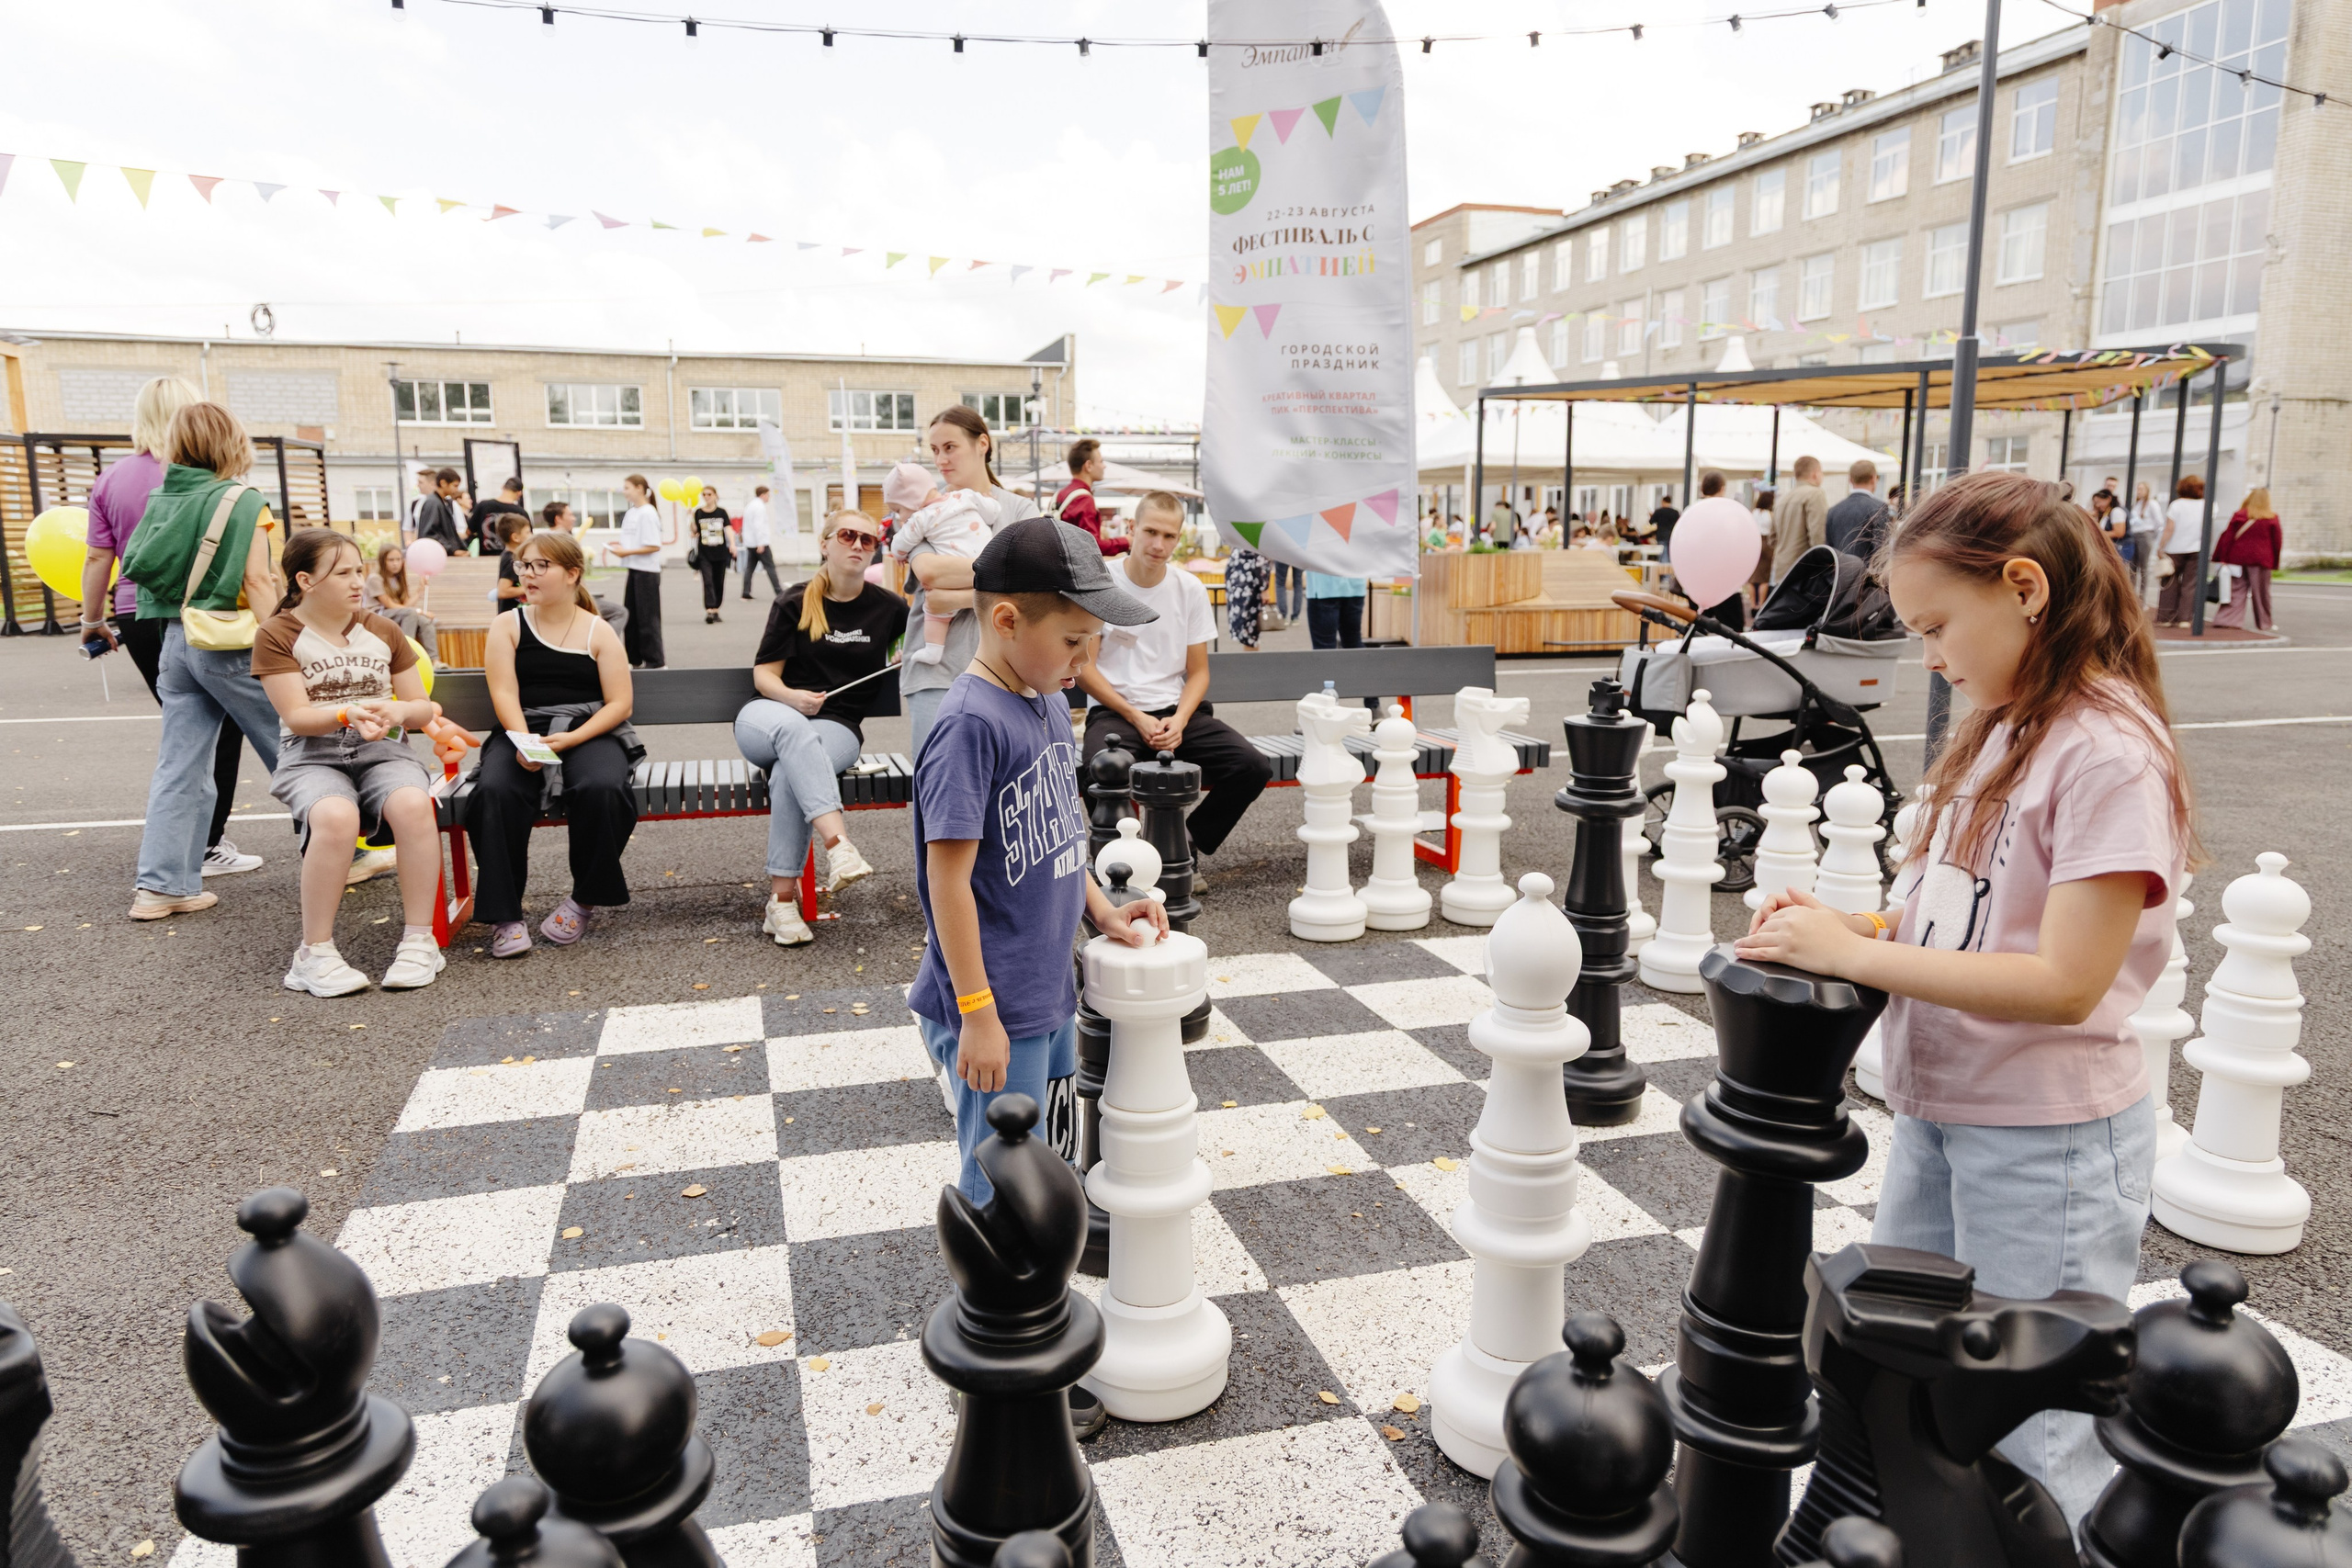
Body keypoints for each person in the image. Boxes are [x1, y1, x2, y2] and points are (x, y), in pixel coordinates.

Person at [1736, 469, 2191, 1528]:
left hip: (2050, 1142)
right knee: (1906, 1377)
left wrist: (1856, 962)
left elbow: (2065, 982)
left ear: (2024, 588)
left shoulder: (2105, 751)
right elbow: (1975, 922)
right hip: (1946, 1109)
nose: (1928, 656)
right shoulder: (2003, 722)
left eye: (1936, 625)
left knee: (2033, 1429)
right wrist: (1861, 930)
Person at [910, 513, 1166, 1199]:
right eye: (1075, 641)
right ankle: (996, 1302)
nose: (1087, 663)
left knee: (1046, 1160)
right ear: (1005, 621)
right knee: (1000, 1181)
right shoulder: (970, 725)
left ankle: (1035, 1283)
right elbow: (948, 883)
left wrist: (1101, 911)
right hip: (991, 1002)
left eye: (1096, 642)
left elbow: (1058, 835)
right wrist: (976, 1012)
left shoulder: (1048, 700)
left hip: (1045, 989)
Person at [79, 375, 264, 880]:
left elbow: (99, 555)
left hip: (140, 613)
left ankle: (171, 870)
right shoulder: (216, 487)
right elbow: (254, 573)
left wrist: (92, 620)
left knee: (185, 736)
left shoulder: (112, 478)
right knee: (255, 731)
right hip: (212, 614)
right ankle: (211, 843)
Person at [253, 529, 444, 997]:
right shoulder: (278, 634)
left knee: (414, 805)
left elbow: (422, 709)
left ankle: (421, 941)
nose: (358, 582)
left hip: (384, 750)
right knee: (336, 816)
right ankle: (313, 954)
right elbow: (297, 717)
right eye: (343, 573)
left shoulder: (384, 630)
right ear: (306, 580)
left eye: (359, 570)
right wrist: (344, 713)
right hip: (312, 755)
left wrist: (400, 710)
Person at [119, 401, 286, 919]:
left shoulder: (162, 495)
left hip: (176, 637)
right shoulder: (243, 499)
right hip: (232, 642)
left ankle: (163, 886)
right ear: (232, 442)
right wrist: (291, 642)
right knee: (301, 746)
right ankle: (346, 850)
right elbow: (258, 580)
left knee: (181, 765)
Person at [1078, 493, 1272, 881]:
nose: (1158, 545)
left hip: (1175, 712)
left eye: (1169, 536)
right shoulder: (1104, 583)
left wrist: (1180, 720)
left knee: (1252, 767)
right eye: (1150, 532)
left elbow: (1198, 673)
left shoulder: (1189, 588)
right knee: (1101, 769)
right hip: (1117, 711)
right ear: (1131, 529)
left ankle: (1182, 845)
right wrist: (1136, 716)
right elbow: (1084, 667)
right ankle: (1126, 862)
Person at [735, 509, 899, 945]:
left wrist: (903, 656)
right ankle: (839, 845)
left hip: (838, 727)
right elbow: (764, 676)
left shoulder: (889, 608)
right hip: (770, 717)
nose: (859, 545)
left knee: (793, 769)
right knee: (795, 734)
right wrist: (793, 698)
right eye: (848, 536)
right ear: (825, 543)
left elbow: (912, 646)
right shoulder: (794, 600)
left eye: (869, 540)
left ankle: (781, 904)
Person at [473, 530, 639, 958]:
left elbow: (620, 703)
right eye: (523, 565)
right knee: (496, 791)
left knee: (603, 787)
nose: (528, 574)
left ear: (571, 574)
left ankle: (583, 900)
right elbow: (505, 694)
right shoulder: (506, 624)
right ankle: (505, 916)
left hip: (588, 729)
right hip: (522, 727)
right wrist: (526, 742)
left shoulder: (598, 631)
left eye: (540, 566)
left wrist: (574, 737)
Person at [899, 405, 1039, 755]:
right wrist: (1003, 579)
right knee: (938, 791)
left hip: (1008, 671)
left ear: (982, 444)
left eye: (950, 447)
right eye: (934, 450)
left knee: (1004, 796)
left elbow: (1031, 585)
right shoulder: (927, 509)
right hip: (939, 672)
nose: (941, 459)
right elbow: (929, 572)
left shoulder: (1019, 510)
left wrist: (954, 598)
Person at [884, 460, 1001, 665]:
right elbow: (993, 512)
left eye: (898, 509)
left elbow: (898, 545)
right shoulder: (965, 496)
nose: (899, 516)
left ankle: (933, 649)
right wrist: (987, 501)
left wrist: (901, 555)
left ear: (911, 500)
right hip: (987, 565)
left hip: (954, 579)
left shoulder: (920, 518)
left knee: (935, 609)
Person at [610, 473, 669, 667]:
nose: (624, 491)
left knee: (647, 618)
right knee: (631, 616)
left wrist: (626, 551)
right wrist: (621, 550)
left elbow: (654, 546)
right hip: (633, 569)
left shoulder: (648, 512)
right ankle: (633, 658)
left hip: (647, 572)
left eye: (627, 487)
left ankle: (655, 661)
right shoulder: (631, 513)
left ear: (639, 489)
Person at [2211, 488, 2282, 633]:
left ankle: (2227, 620)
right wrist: (2274, 562)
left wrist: (2224, 558)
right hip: (2261, 560)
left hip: (2237, 558)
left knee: (2235, 591)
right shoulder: (2271, 517)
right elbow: (2277, 542)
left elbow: (2228, 538)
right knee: (2261, 593)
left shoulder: (2239, 515)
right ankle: (2264, 623)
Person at [1052, 438, 1127, 557]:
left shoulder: (1059, 495)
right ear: (1088, 465)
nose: (1104, 466)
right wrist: (1126, 541)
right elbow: (1093, 546)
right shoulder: (1084, 499)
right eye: (1101, 461)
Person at [2153, 474, 2208, 627]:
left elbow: (2169, 529)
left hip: (2174, 548)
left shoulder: (2176, 505)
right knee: (2190, 584)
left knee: (2169, 582)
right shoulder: (2207, 505)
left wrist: (2161, 546)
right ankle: (2185, 618)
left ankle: (2166, 617)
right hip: (2196, 548)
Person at [368, 542, 439, 659]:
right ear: (382, 561)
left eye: (398, 559)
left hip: (395, 615)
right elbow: (390, 605)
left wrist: (419, 592)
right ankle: (405, 656)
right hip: (376, 616)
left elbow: (405, 606)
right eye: (391, 560)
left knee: (424, 621)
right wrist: (420, 611)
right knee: (413, 614)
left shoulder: (397, 579)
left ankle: (435, 660)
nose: (395, 564)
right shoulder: (375, 578)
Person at [1769, 455, 1828, 582]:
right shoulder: (1815, 494)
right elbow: (1818, 535)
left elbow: (1772, 538)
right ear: (1815, 473)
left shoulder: (1782, 499)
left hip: (1781, 570)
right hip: (1804, 572)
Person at [1825, 458, 1891, 559]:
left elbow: (1829, 550)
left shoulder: (1833, 510)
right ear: (1873, 478)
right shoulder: (1879, 508)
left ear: (1850, 480)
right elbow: (1881, 550)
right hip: (1866, 573)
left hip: (1839, 572)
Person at [689, 485, 734, 623]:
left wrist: (732, 544)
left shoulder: (721, 512)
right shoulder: (698, 512)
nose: (706, 497)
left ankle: (716, 609)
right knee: (708, 581)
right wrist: (690, 518)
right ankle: (709, 610)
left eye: (709, 494)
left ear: (715, 495)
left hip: (720, 552)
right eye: (704, 495)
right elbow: (695, 532)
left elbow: (728, 528)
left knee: (718, 582)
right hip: (704, 552)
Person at [740, 483, 785, 599]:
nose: (768, 497)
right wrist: (760, 543)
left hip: (750, 542)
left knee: (750, 567)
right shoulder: (759, 507)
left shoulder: (750, 505)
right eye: (768, 495)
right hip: (759, 542)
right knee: (770, 567)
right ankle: (779, 591)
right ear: (763, 495)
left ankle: (746, 591)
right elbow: (758, 526)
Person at [469, 477, 529, 559]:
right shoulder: (521, 512)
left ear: (502, 487)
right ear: (519, 493)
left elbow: (469, 531)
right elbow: (528, 538)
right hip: (511, 559)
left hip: (485, 559)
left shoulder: (483, 506)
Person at [1223, 544, 1270, 649]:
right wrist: (1265, 588)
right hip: (1249, 585)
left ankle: (1249, 661)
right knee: (1250, 631)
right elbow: (1261, 560)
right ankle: (1251, 663)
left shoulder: (1238, 538)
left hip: (1237, 582)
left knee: (1246, 630)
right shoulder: (1253, 538)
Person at [412, 468, 467, 556]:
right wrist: (453, 550)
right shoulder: (433, 503)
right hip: (437, 556)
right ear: (443, 483)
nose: (456, 490)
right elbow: (429, 533)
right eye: (455, 486)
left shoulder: (442, 502)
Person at [2126, 479, 2164, 605]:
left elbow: (2159, 522)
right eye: (2138, 489)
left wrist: (2153, 537)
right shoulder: (2136, 504)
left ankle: (2142, 598)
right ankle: (2131, 597)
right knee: (2132, 567)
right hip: (2134, 536)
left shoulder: (2152, 504)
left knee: (2144, 567)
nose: (2139, 491)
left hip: (2145, 535)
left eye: (2142, 489)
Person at [492, 512, 534, 604]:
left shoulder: (515, 556)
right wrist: (531, 587)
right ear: (515, 537)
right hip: (511, 614)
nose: (531, 535)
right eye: (528, 532)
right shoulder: (510, 559)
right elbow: (503, 591)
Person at [1748, 485, 1777, 610]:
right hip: (1766, 543)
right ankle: (1761, 605)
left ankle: (1752, 604)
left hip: (1754, 542)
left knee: (1753, 577)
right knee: (1764, 577)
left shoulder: (1753, 513)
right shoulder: (1770, 515)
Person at [403, 467, 437, 540]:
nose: (418, 485)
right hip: (423, 546)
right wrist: (409, 544)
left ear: (432, 484)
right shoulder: (415, 504)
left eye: (420, 482)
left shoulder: (448, 503)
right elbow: (407, 528)